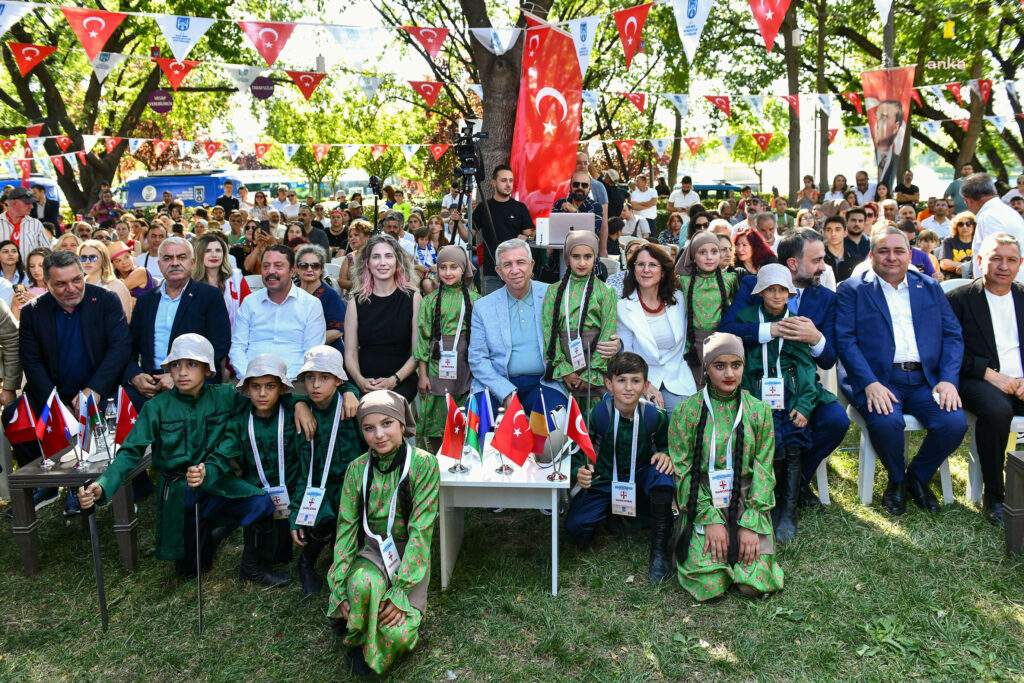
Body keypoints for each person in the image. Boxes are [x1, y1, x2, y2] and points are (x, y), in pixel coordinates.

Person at [78, 334, 278, 577]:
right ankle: (209, 534)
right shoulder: (156, 408)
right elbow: (130, 452)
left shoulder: (226, 396)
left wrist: (299, 405)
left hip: (216, 483)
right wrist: (102, 485)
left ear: (207, 370)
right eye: (176, 365)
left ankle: (252, 567)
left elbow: (263, 403)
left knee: (261, 503)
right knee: (191, 572)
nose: (182, 372)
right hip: (179, 494)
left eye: (192, 364)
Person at [836, 225, 967, 515]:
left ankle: (916, 478)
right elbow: (845, 340)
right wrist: (869, 382)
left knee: (953, 423)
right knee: (885, 422)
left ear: (910, 255)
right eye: (883, 251)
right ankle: (895, 480)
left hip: (925, 379)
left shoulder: (929, 287)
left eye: (899, 251)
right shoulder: (852, 289)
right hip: (879, 378)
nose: (891, 257)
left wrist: (947, 380)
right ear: (871, 256)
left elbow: (953, 335)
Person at [720, 228, 849, 505]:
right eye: (816, 261)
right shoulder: (755, 286)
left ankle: (796, 481)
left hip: (802, 385)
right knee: (768, 427)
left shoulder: (826, 298)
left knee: (837, 420)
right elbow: (727, 329)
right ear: (793, 263)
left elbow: (828, 359)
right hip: (756, 383)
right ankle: (773, 486)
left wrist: (816, 339)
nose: (823, 267)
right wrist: (771, 329)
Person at [326, 389, 439, 676]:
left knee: (399, 634)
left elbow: (421, 531)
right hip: (374, 551)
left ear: (402, 424)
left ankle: (368, 632)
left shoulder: (424, 464)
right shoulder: (357, 469)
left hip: (410, 555)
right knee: (362, 585)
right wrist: (338, 585)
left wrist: (402, 590)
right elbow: (346, 530)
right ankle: (357, 626)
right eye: (369, 428)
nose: (379, 435)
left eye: (387, 424)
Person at [10, 250, 130, 513]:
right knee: (13, 414)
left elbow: (120, 348)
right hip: (53, 392)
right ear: (46, 284)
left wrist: (94, 389)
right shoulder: (33, 311)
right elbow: (30, 360)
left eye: (77, 279)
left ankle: (91, 486)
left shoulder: (106, 300)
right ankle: (47, 482)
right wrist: (54, 403)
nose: (71, 288)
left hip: (100, 387)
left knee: (113, 415)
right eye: (61, 284)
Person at [668, 332, 784, 600]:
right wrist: (708, 519)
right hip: (703, 499)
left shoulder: (759, 411)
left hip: (747, 500)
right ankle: (709, 550)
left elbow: (765, 470)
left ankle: (746, 553)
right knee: (712, 584)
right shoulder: (687, 412)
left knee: (751, 586)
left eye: (736, 365)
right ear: (707, 370)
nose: (729, 373)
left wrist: (751, 523)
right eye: (720, 366)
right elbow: (683, 472)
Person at [737, 265, 837, 542]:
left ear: (790, 293)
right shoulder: (747, 319)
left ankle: (788, 510)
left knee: (792, 441)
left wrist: (804, 405)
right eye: (771, 289)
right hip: (756, 393)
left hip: (789, 392)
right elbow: (740, 366)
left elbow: (806, 368)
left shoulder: (797, 322)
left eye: (783, 289)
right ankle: (767, 500)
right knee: (769, 441)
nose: (777, 295)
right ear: (761, 292)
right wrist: (746, 400)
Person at [566, 353, 676, 582]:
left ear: (646, 385)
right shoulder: (596, 416)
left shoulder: (654, 417)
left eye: (635, 381)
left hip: (640, 479)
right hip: (605, 481)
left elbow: (668, 446)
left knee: (663, 476)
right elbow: (577, 453)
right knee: (576, 530)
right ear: (609, 383)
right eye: (621, 380)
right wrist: (579, 472)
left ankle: (659, 552)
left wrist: (666, 455)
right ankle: (609, 513)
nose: (628, 387)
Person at [947, 233, 1024, 525]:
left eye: (1011, 260)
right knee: (996, 410)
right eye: (995, 258)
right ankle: (995, 496)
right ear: (980, 261)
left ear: (1020, 264)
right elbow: (946, 351)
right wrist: (989, 374)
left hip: (1020, 383)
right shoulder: (959, 299)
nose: (1003, 266)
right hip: (977, 381)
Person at [470, 239, 591, 412]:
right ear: (499, 271)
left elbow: (579, 331)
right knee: (478, 421)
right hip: (495, 383)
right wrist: (505, 393)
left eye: (520, 262)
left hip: (543, 381)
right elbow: (477, 359)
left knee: (555, 423)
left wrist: (614, 343)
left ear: (531, 265)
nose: (515, 270)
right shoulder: (483, 307)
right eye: (507, 265)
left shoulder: (553, 295)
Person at [123, 236, 231, 407]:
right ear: (159, 265)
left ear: (193, 262)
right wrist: (135, 375)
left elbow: (220, 344)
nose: (174, 263)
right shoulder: (146, 301)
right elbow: (129, 346)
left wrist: (179, 375)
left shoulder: (209, 296)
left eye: (181, 257)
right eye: (167, 258)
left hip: (195, 383)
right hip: (150, 384)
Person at [616, 243, 695, 412]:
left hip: (678, 378)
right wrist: (644, 384)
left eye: (652, 265)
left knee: (682, 419)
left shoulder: (679, 299)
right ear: (633, 269)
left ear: (663, 271)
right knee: (648, 418)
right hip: (641, 379)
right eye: (641, 264)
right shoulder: (623, 307)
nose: (646, 270)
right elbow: (627, 354)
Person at [414, 246, 479, 453]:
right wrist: (422, 374)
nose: (448, 272)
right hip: (436, 367)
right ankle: (436, 457)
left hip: (465, 367)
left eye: (454, 267)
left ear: (463, 269)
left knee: (463, 416)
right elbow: (423, 339)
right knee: (436, 419)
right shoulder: (429, 301)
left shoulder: (475, 300)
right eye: (443, 267)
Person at [541, 231, 617, 407]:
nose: (582, 262)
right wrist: (565, 370)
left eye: (588, 256)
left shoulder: (606, 292)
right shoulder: (553, 291)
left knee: (594, 423)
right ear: (567, 257)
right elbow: (548, 332)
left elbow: (607, 332)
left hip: (595, 363)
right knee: (564, 422)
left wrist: (593, 373)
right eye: (576, 256)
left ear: (595, 257)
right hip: (564, 369)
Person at [231, 244, 327, 382]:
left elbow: (311, 353)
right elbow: (238, 347)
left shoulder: (311, 305)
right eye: (265, 266)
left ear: (292, 271)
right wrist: (248, 375)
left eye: (278, 266)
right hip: (250, 380)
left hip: (294, 381)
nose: (271, 271)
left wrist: (282, 381)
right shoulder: (249, 302)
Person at [344, 234, 421, 402]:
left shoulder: (413, 298)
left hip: (401, 379)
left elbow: (417, 353)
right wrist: (360, 380)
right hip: (363, 379)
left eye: (388, 256)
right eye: (376, 257)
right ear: (367, 263)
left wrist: (394, 379)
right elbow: (350, 354)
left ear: (397, 261)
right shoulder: (355, 302)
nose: (382, 262)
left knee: (383, 406)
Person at [676, 232, 739, 387]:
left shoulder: (730, 279)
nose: (709, 257)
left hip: (722, 344)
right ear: (692, 256)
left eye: (714, 252)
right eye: (702, 252)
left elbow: (738, 309)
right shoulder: (682, 281)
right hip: (692, 347)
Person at [964, 173, 1024, 283]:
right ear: (995, 192)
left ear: (968, 200)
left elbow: (995, 259)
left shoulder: (989, 217)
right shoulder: (1009, 212)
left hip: (1002, 289)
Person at [295, 244, 345, 353]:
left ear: (322, 269)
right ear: (297, 269)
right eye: (304, 265)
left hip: (325, 352)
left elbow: (337, 331)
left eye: (315, 266)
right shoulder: (291, 293)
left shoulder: (330, 295)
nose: (309, 269)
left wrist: (309, 344)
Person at [193, 233, 249, 328]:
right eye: (208, 251)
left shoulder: (236, 279)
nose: (214, 255)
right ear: (199, 254)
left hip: (233, 336)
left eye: (218, 250)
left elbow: (248, 309)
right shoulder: (191, 282)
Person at [77, 239, 131, 321]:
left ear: (103, 259)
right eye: (83, 258)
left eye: (93, 258)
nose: (87, 261)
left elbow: (125, 321)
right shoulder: (77, 285)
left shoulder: (116, 286)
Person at [0, 187, 49, 261]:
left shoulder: (36, 224)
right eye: (27, 203)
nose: (31, 206)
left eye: (31, 203)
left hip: (29, 272)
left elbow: (46, 252)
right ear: (14, 203)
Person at [553, 170, 603, 242]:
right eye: (576, 184)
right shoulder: (560, 203)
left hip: (584, 251)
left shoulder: (596, 207)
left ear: (590, 188)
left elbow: (593, 232)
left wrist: (575, 212)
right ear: (570, 186)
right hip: (559, 250)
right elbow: (553, 229)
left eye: (584, 185)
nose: (580, 187)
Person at [823, 215, 862, 283]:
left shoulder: (857, 261)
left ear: (845, 233)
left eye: (837, 229)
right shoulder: (819, 259)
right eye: (829, 230)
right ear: (824, 233)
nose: (833, 234)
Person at [337, 219, 371, 293]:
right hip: (352, 296)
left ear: (367, 236)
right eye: (350, 236)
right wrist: (357, 285)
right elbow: (341, 281)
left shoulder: (374, 255)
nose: (352, 238)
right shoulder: (349, 257)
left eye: (356, 235)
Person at [940, 212, 976, 280]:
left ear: (974, 226)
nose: (964, 227)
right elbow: (945, 264)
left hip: (974, 278)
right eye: (960, 224)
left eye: (968, 224)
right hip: (953, 278)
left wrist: (965, 268)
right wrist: (969, 267)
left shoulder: (978, 241)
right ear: (956, 227)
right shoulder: (949, 241)